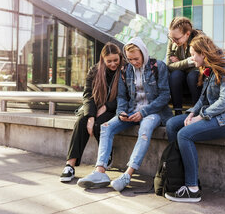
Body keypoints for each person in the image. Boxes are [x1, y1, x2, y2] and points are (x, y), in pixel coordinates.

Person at [77, 37, 172, 191]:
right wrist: (121, 111)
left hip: (153, 111)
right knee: (106, 126)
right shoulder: (125, 70)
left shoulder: (157, 66)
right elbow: (122, 96)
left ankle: (127, 175)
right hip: (132, 110)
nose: (133, 62)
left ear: (143, 53)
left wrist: (144, 112)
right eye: (129, 59)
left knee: (145, 129)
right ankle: (100, 171)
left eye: (136, 58)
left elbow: (165, 96)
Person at [165, 35, 225, 202]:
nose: (191, 58)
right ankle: (178, 174)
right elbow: (203, 98)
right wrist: (192, 113)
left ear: (203, 54)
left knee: (184, 134)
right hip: (217, 114)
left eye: (193, 54)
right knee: (172, 124)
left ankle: (192, 189)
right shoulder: (207, 69)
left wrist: (201, 117)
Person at [60, 42, 123, 182]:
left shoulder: (125, 70)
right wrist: (90, 116)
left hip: (114, 108)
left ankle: (105, 158)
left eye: (116, 60)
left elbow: (125, 96)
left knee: (99, 124)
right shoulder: (94, 71)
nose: (113, 64)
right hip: (95, 105)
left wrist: (107, 106)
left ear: (120, 57)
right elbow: (88, 94)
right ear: (103, 59)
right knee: (80, 121)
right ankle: (70, 165)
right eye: (109, 61)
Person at [166, 17, 203, 115]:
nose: (173, 41)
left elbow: (200, 63)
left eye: (176, 39)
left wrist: (179, 63)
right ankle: (177, 112)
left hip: (196, 78)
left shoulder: (199, 38)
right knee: (175, 75)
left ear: (187, 34)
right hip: (181, 77)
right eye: (171, 38)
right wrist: (187, 62)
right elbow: (169, 65)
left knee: (192, 76)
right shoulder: (173, 39)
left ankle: (197, 112)